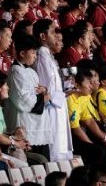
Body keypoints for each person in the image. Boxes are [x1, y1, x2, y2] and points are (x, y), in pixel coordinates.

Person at [4, 34, 51, 160]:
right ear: (22, 53)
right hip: (25, 125)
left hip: (38, 124)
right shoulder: (16, 71)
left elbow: (40, 92)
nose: (35, 57)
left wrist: (44, 92)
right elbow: (24, 101)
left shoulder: (31, 72)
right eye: (33, 53)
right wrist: (43, 97)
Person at [33, 20, 73, 162]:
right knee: (55, 152)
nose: (55, 36)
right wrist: (64, 94)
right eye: (52, 32)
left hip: (58, 106)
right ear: (43, 36)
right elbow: (46, 89)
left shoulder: (48, 56)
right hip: (51, 109)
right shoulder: (41, 56)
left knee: (63, 152)